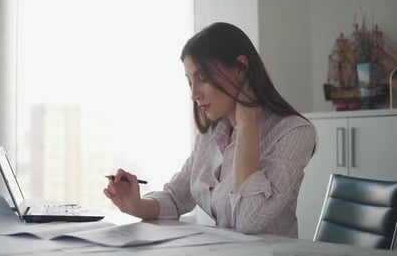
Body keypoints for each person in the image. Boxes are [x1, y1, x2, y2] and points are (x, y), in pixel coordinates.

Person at [103, 22, 316, 238]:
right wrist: (136, 204)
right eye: (190, 82)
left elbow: (248, 221)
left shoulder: (294, 132)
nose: (194, 95)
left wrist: (246, 125)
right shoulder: (211, 135)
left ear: (240, 70)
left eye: (203, 79)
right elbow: (176, 198)